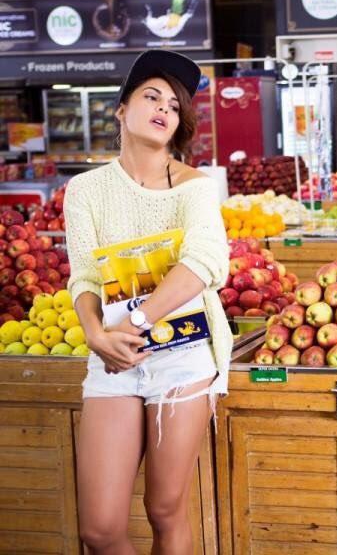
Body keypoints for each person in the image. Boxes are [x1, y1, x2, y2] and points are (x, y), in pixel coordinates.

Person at [65, 49, 231, 554]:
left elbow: (204, 263)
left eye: (175, 105)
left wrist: (134, 321)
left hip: (183, 355)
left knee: (164, 509)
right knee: (99, 530)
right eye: (151, 96)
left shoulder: (195, 189)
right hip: (114, 358)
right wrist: (95, 334)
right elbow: (85, 277)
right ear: (122, 108)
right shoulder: (85, 190)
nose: (163, 109)